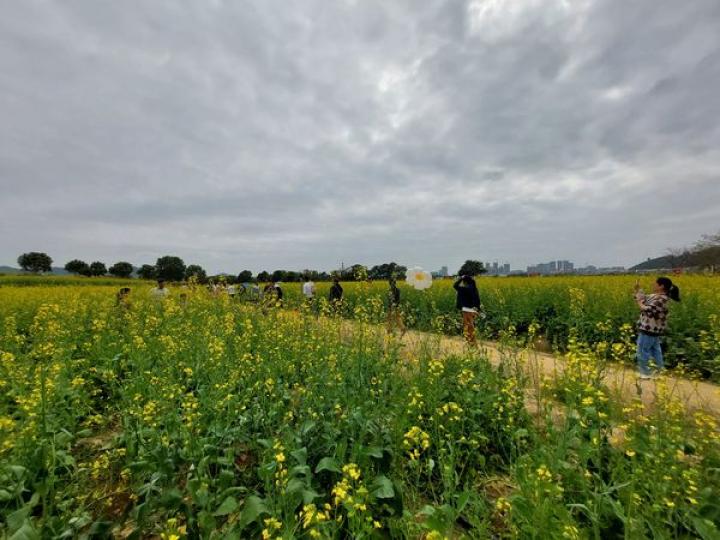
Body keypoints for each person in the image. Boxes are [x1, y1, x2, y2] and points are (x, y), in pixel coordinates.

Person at [633, 276, 681, 379]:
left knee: (642, 350)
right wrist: (638, 289)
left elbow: (647, 310)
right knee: (655, 351)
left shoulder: (662, 299)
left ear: (661, 286)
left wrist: (639, 303)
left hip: (649, 328)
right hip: (652, 329)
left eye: (655, 283)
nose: (653, 285)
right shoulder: (657, 296)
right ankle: (659, 372)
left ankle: (645, 373)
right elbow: (644, 298)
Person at [454, 274, 481, 345]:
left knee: (468, 326)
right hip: (473, 310)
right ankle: (471, 342)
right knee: (470, 326)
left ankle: (471, 342)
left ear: (465, 281)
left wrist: (461, 279)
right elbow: (477, 300)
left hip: (467, 310)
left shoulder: (465, 289)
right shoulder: (474, 288)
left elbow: (455, 285)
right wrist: (478, 309)